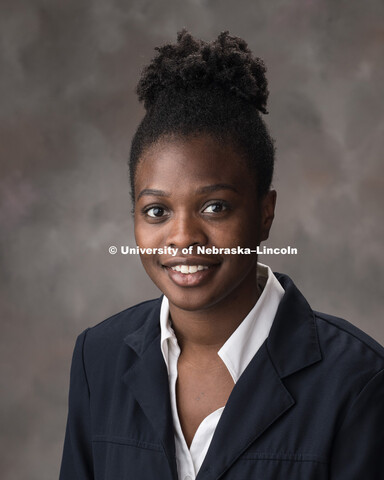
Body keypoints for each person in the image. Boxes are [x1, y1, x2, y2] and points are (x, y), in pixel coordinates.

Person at [59, 30, 384, 480]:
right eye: (156, 210)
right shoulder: (99, 358)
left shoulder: (357, 380)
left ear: (264, 213)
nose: (183, 237)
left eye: (215, 207)